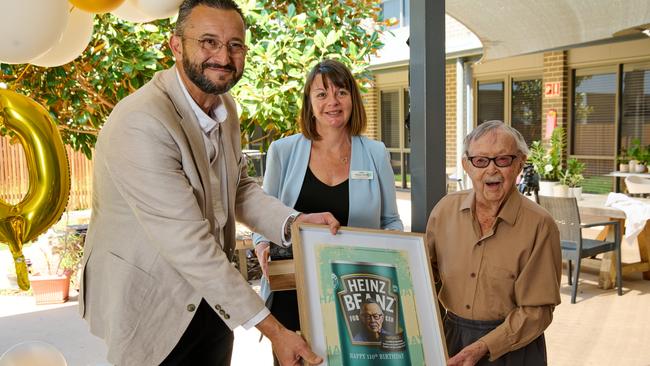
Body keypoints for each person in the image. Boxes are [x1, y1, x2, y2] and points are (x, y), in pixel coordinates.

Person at [78, 1, 339, 365]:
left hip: (214, 298)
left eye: (235, 44)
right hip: (152, 303)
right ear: (176, 45)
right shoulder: (142, 122)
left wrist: (294, 223)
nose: (223, 56)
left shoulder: (224, 105)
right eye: (208, 42)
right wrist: (277, 332)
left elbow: (239, 187)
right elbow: (189, 244)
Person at [252, 59, 403, 362]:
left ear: (353, 99)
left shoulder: (375, 153)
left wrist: (398, 254)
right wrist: (261, 243)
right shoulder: (283, 151)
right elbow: (263, 214)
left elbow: (390, 221)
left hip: (357, 289)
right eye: (321, 94)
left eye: (341, 92)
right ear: (309, 103)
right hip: (293, 288)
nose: (332, 102)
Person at [425, 120, 562, 366]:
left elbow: (537, 311)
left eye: (503, 160)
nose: (491, 170)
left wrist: (484, 346)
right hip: (452, 339)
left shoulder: (540, 225)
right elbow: (425, 279)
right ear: (466, 165)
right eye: (480, 161)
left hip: (515, 348)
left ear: (520, 163)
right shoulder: (444, 211)